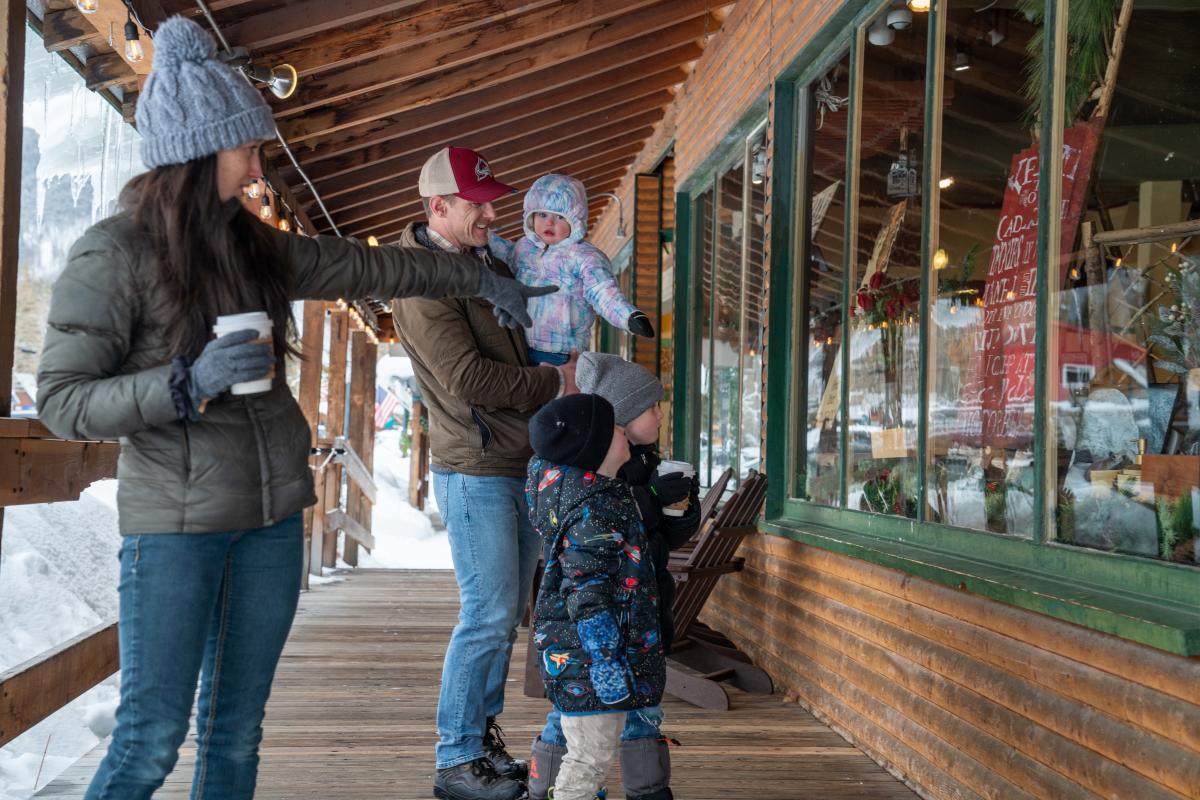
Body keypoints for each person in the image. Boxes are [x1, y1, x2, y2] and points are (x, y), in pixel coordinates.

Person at [33, 18, 551, 800]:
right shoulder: (115, 253)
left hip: (271, 524)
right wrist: (187, 380)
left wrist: (480, 281)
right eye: (247, 144)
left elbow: (365, 263)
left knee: (237, 734)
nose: (258, 159)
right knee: (150, 739)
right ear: (202, 149)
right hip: (174, 531)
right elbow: (63, 402)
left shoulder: (256, 246)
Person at [392, 146, 579, 800]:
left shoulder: (485, 262)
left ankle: (479, 743)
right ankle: (456, 759)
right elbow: (469, 379)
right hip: (476, 467)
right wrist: (555, 379)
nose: (492, 214)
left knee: (504, 615)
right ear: (438, 206)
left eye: (493, 203)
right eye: (479, 204)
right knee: (489, 610)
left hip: (517, 458)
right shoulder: (422, 279)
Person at [528, 354, 698, 800]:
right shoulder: (590, 481)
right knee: (584, 717)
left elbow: (657, 536)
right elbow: (597, 537)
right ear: (616, 422)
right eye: (650, 408)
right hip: (602, 630)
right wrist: (650, 497)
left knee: (630, 709)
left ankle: (641, 788)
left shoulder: (638, 462)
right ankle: (552, 786)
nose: (660, 414)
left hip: (638, 610)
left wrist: (678, 506)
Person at [488, 173, 654, 366]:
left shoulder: (584, 256)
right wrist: (483, 235)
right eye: (542, 214)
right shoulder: (523, 248)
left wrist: (628, 316)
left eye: (559, 217)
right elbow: (504, 255)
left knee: (556, 395)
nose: (549, 222)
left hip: (561, 352)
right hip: (519, 344)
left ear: (575, 221)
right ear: (530, 216)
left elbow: (602, 291)